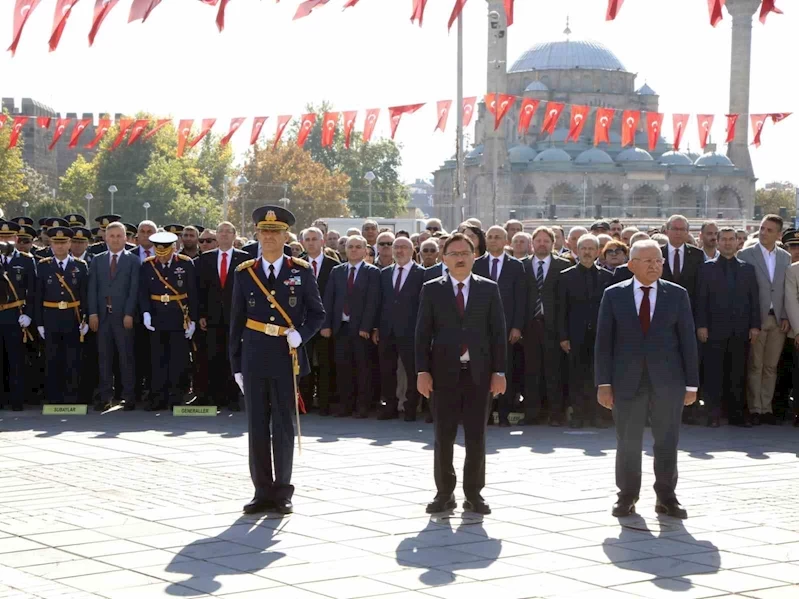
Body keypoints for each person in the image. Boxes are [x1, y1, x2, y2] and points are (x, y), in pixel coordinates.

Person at [229, 205, 324, 515]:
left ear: (286, 236)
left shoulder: (301, 271)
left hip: (286, 355)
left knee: (283, 425)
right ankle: (261, 491)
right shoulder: (245, 272)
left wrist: (302, 335)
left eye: (275, 232)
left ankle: (283, 491)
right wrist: (236, 365)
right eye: (264, 231)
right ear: (257, 235)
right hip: (254, 355)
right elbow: (236, 321)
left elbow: (317, 313)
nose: (269, 236)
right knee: (257, 425)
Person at [595, 240, 699, 519]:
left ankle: (666, 497)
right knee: (627, 441)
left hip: (668, 381)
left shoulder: (676, 294)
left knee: (667, 440)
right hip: (626, 381)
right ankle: (626, 496)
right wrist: (603, 383)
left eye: (658, 261)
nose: (655, 266)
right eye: (648, 261)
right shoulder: (613, 295)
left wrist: (691, 384)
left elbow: (687, 341)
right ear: (631, 265)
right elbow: (604, 342)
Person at [416, 233, 506, 515]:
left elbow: (498, 333)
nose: (459, 258)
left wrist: (499, 371)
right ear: (444, 259)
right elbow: (422, 333)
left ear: (474, 256)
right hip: (443, 374)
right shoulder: (432, 289)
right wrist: (422, 371)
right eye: (453, 254)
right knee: (443, 437)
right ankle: (444, 493)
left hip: (479, 374)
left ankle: (474, 494)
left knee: (476, 437)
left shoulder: (488, 289)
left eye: (464, 253)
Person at [696, 228, 760, 428]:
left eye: (731, 239)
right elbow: (700, 299)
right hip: (714, 330)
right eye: (723, 239)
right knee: (713, 374)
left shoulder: (747, 269)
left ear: (737, 242)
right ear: (717, 242)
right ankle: (713, 415)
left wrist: (755, 326)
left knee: (737, 374)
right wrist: (701, 325)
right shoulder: (706, 268)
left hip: (740, 330)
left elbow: (754, 300)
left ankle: (736, 415)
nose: (727, 243)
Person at [738, 214, 791, 425]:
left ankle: (767, 408)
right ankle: (755, 408)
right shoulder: (746, 254)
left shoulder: (785, 257)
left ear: (778, 234)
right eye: (762, 228)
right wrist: (751, 322)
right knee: (755, 365)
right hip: (757, 319)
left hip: (777, 320)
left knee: (771, 366)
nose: (763, 233)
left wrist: (785, 315)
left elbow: (787, 289)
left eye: (769, 230)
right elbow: (743, 292)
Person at [321, 235, 380, 418]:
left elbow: (373, 301)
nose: (354, 250)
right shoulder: (337, 271)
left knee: (363, 369)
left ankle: (362, 406)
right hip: (341, 328)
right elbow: (329, 299)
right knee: (343, 368)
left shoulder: (372, 272)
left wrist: (366, 327)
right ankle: (345, 405)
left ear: (365, 250)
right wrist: (326, 325)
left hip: (361, 330)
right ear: (345, 249)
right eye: (350, 246)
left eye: (357, 247)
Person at [559, 234, 613, 428]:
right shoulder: (565, 276)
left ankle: (598, 414)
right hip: (575, 335)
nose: (587, 252)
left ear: (598, 252)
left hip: (600, 335)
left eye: (591, 249)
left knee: (598, 375)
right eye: (584, 248)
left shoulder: (607, 277)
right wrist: (563, 336)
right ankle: (579, 414)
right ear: (577, 251)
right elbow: (561, 309)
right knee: (576, 376)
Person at [473, 226, 525, 426]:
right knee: (482, 371)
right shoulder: (476, 264)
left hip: (506, 327)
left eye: (498, 237)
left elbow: (520, 298)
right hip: (481, 327)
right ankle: (484, 414)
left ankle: (503, 414)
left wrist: (517, 326)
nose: (493, 240)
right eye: (490, 237)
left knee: (505, 370)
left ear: (505, 241)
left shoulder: (516, 266)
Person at [139, 232, 198, 411]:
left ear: (173, 248)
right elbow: (143, 292)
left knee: (178, 359)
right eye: (159, 253)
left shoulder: (185, 263)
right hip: (157, 317)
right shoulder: (148, 265)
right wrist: (146, 313)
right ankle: (158, 396)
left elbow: (193, 293)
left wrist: (193, 320)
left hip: (179, 317)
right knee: (157, 359)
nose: (162, 258)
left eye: (165, 253)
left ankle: (175, 396)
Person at [521, 227, 571, 425]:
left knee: (554, 372)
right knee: (531, 371)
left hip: (553, 325)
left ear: (553, 243)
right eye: (538, 241)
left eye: (546, 241)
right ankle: (532, 414)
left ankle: (556, 414)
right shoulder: (522, 265)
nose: (542, 244)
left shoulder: (563, 265)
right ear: (532, 243)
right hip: (529, 325)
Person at [88, 222, 140, 412]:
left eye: (119, 236)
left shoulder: (133, 260)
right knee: (104, 358)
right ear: (105, 238)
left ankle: (129, 396)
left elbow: (134, 290)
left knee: (126, 357)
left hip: (123, 316)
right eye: (112, 236)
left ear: (126, 238)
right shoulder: (97, 260)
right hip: (102, 317)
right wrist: (93, 313)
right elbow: (92, 289)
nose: (116, 239)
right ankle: (105, 397)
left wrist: (129, 313)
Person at [35, 227, 89, 405]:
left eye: (63, 242)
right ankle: (54, 397)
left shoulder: (80, 266)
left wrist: (85, 319)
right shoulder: (43, 265)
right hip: (50, 317)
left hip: (72, 317)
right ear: (50, 244)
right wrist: (39, 323)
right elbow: (38, 295)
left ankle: (72, 397)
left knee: (73, 358)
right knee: (52, 358)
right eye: (56, 243)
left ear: (69, 243)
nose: (59, 246)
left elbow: (84, 295)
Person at [197, 221, 248, 411]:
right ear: (216, 236)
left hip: (236, 316)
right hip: (212, 317)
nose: (224, 234)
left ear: (235, 235)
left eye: (228, 231)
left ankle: (233, 397)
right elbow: (200, 289)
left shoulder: (245, 258)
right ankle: (215, 396)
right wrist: (201, 314)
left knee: (233, 356)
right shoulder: (206, 258)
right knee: (213, 355)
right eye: (221, 231)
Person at [375, 237, 424, 421]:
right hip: (387, 330)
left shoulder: (422, 274)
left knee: (412, 371)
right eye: (396, 247)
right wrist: (376, 327)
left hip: (411, 331)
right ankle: (390, 406)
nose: (399, 250)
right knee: (387, 370)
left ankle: (410, 407)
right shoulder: (385, 273)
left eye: (404, 247)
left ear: (412, 251)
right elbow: (379, 302)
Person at [298, 227, 339, 416]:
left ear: (322, 242)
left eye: (315, 239)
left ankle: (324, 404)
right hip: (303, 325)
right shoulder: (296, 264)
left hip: (324, 325)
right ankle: (304, 403)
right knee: (304, 364)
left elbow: (336, 298)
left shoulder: (334, 266)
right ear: (302, 243)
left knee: (325, 364)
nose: (311, 242)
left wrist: (327, 324)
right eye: (307, 239)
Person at [0, 221, 36, 411]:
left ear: (16, 238)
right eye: (1, 237)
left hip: (16, 314)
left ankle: (16, 400)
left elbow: (33, 291)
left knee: (16, 359)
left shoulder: (26, 260)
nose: (5, 240)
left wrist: (28, 314)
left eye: (9, 237)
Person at [662, 215, 703, 307]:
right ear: (666, 231)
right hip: (662, 306)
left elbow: (700, 286)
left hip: (688, 307)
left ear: (687, 232)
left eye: (682, 229)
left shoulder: (697, 255)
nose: (678, 233)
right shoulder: (658, 253)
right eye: (674, 229)